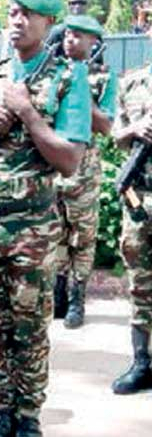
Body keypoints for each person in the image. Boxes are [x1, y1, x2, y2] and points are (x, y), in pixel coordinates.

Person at [0, 0, 91, 435]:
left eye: (27, 15)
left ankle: (29, 420)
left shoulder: (68, 79)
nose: (16, 21)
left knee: (29, 331)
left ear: (48, 22)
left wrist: (28, 114)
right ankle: (5, 414)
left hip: (32, 228)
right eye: (12, 13)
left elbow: (70, 160)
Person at [54, 15, 117, 330]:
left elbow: (106, 126)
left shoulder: (104, 78)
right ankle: (58, 298)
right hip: (53, 168)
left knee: (83, 238)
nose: (70, 40)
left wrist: (80, 90)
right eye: (67, 34)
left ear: (95, 43)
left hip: (85, 171)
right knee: (56, 235)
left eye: (79, 36)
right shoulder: (51, 73)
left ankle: (77, 301)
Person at [109, 24, 152, 397]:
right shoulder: (132, 83)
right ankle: (141, 363)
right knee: (140, 283)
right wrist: (136, 128)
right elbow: (114, 136)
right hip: (140, 199)